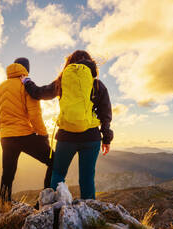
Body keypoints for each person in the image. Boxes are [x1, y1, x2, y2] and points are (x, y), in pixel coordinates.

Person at [21, 50, 113, 199]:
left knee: (58, 173)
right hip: (91, 137)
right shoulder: (97, 84)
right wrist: (106, 138)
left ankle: (54, 210)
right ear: (90, 64)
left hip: (66, 136)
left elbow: (38, 93)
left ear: (69, 64)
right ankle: (89, 215)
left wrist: (27, 82)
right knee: (87, 178)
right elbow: (105, 113)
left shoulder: (62, 81)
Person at [0, 57, 53, 202]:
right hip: (25, 135)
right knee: (55, 162)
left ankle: (3, 203)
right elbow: (34, 115)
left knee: (8, 172)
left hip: (6, 137)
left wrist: (4, 133)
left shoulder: (0, 87)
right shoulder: (26, 85)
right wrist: (43, 134)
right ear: (26, 69)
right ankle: (46, 199)